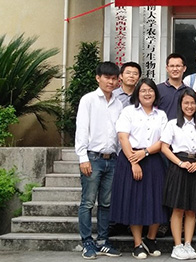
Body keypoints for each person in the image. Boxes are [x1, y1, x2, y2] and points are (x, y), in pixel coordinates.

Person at [110, 78, 168, 260]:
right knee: (135, 201)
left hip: (153, 159)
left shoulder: (161, 115)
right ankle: (137, 243)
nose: (147, 94)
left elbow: (164, 140)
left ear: (155, 94)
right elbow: (123, 137)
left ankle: (150, 238)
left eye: (150, 90)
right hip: (131, 159)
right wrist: (133, 162)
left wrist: (146, 152)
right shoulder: (128, 112)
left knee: (157, 200)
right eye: (143, 90)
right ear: (137, 93)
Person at [75, 61, 124, 259]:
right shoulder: (88, 100)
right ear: (98, 78)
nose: (110, 82)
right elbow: (82, 128)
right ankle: (87, 242)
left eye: (114, 79)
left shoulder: (118, 103)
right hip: (92, 158)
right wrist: (82, 157)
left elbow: (120, 133)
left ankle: (103, 240)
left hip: (112, 159)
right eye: (107, 78)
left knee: (106, 203)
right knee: (87, 202)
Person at [161, 88, 196, 260]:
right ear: (180, 105)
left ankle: (188, 244)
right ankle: (177, 245)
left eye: (192, 103)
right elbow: (164, 147)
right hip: (178, 166)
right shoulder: (172, 124)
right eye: (186, 103)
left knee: (191, 209)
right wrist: (180, 163)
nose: (189, 106)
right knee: (178, 208)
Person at [157, 53, 189, 120]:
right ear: (167, 68)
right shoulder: (158, 89)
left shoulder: (189, 91)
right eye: (172, 66)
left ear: (184, 68)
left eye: (178, 66)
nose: (175, 69)